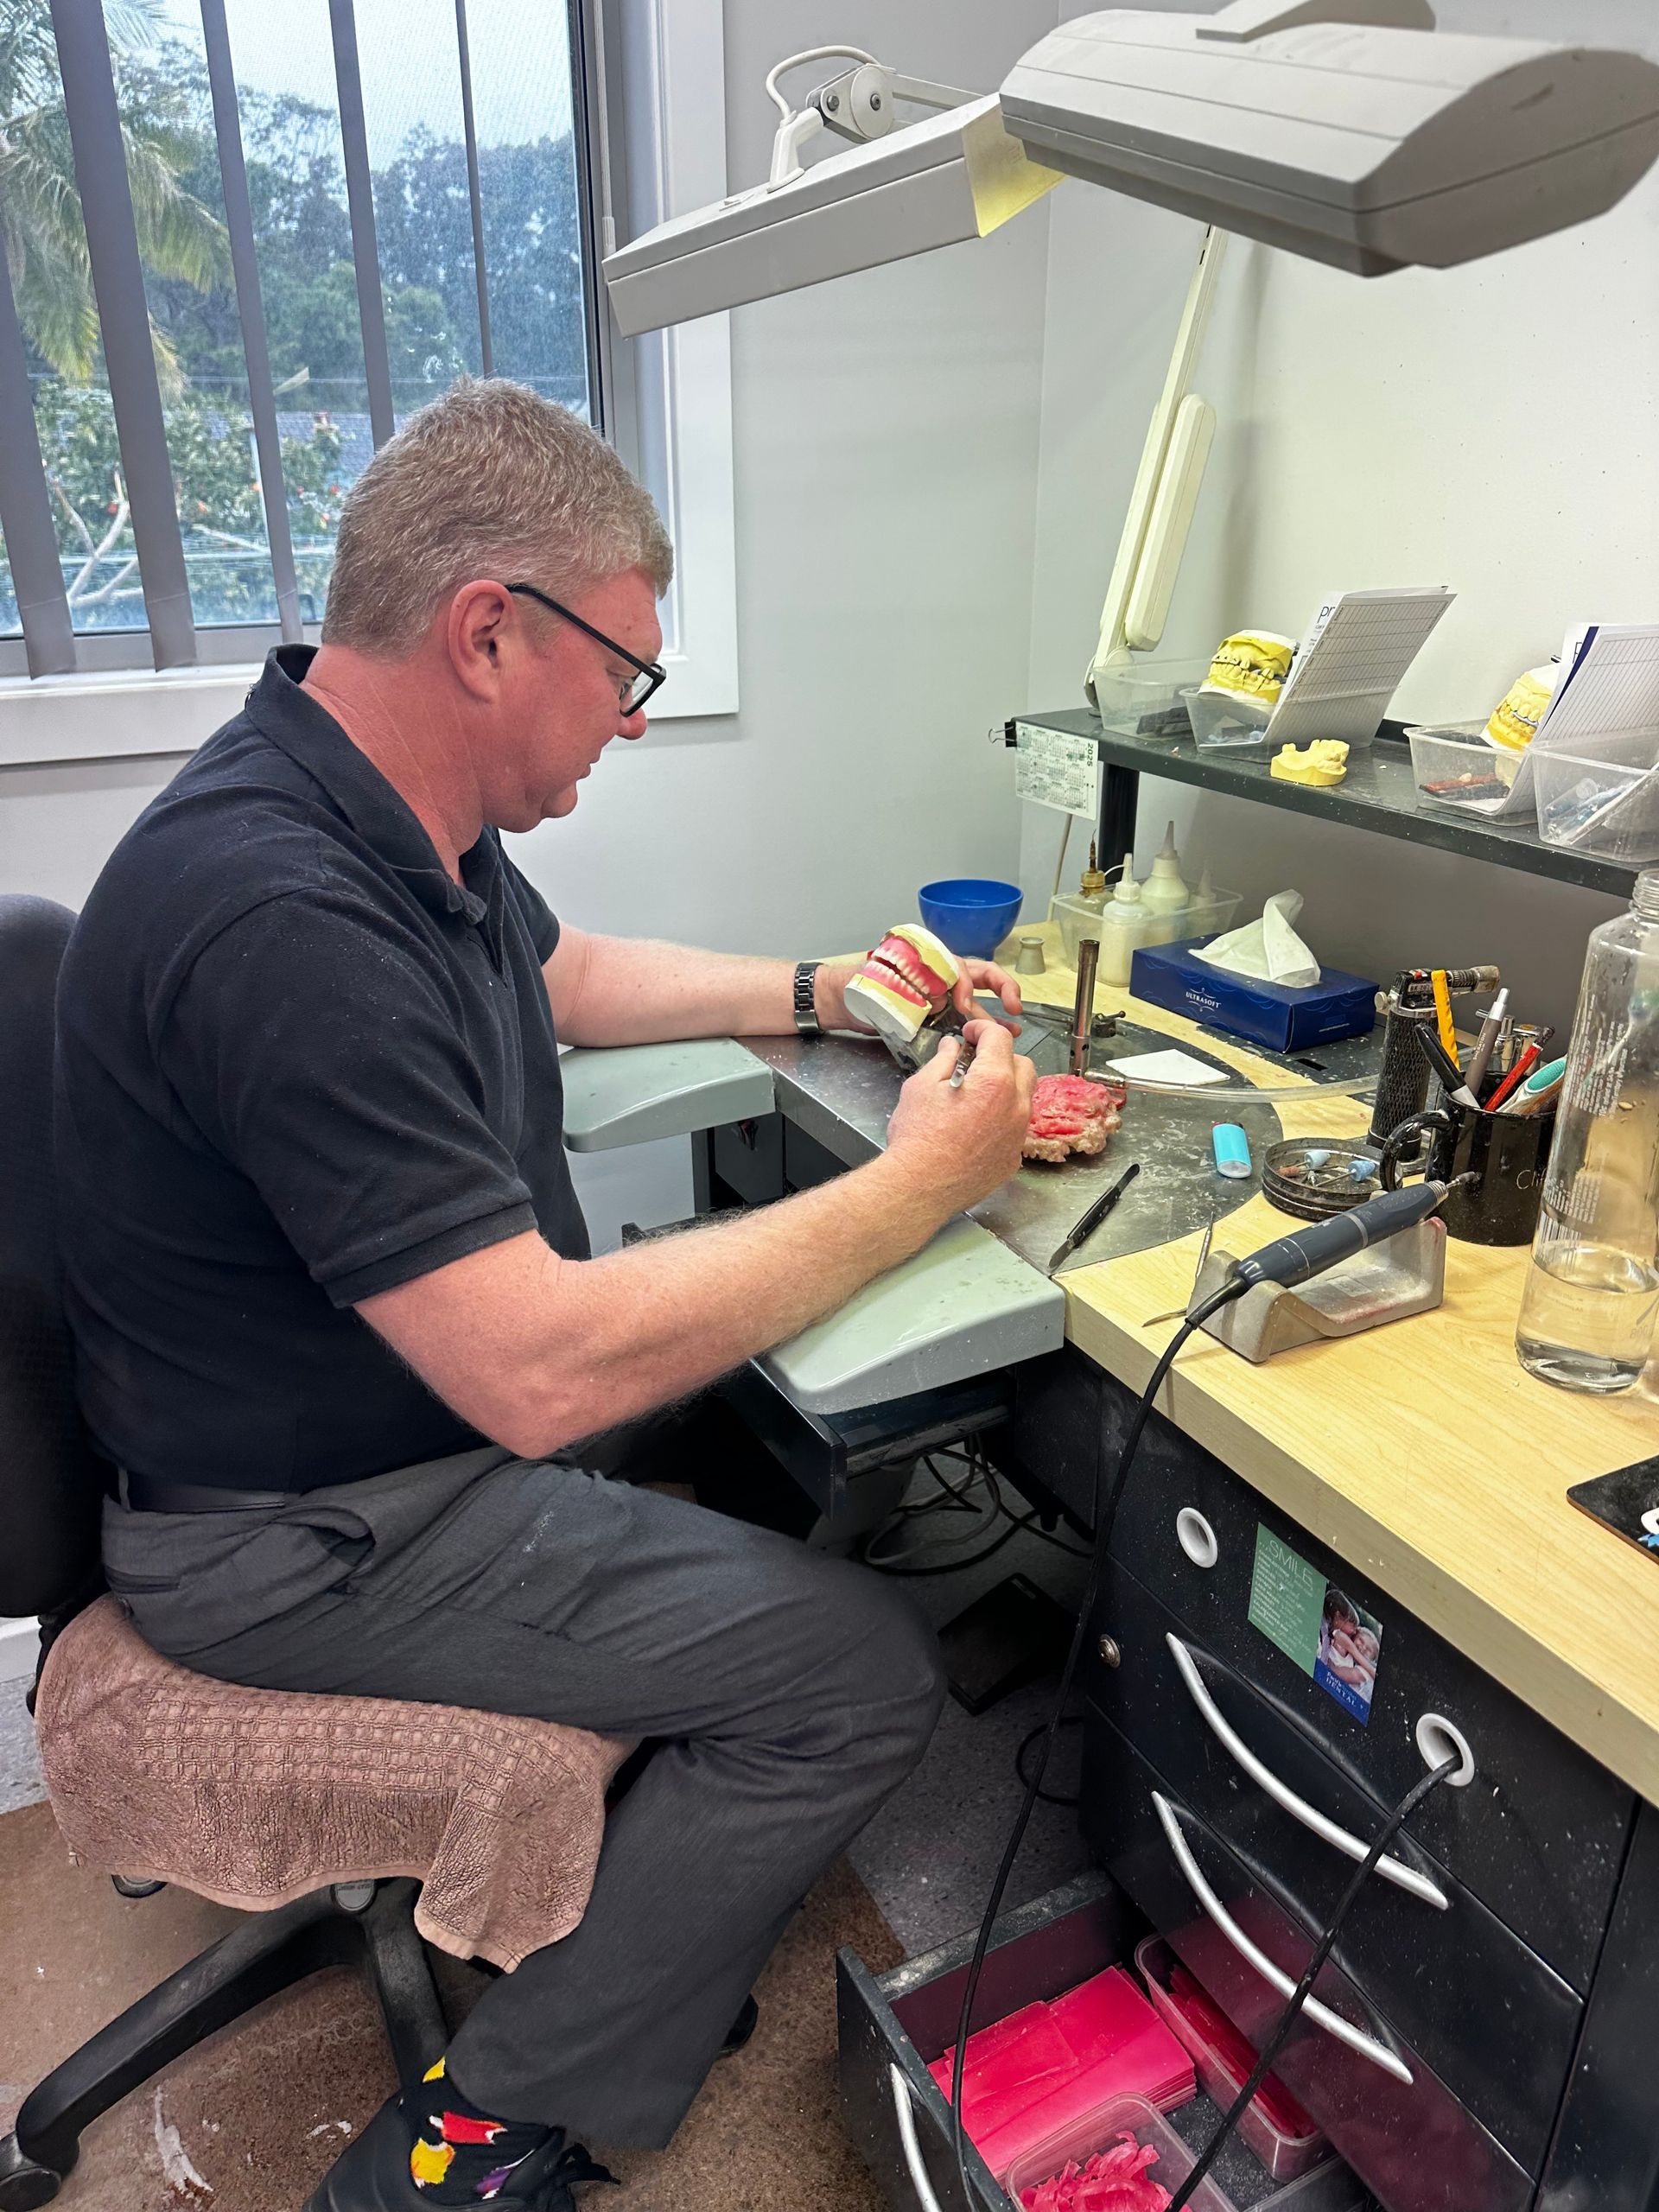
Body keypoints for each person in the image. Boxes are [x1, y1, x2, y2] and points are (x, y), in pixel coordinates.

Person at [53, 379, 1036, 2212]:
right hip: (311, 1528)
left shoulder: (371, 814)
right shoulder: (283, 916)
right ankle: (489, 2119)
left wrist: (825, 987)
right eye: (628, 676)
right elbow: (532, 1374)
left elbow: (572, 973)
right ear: (490, 629)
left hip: (363, 1441)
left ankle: (644, 1897)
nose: (632, 725)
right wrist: (922, 1184)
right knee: (853, 1667)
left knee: (760, 1428)